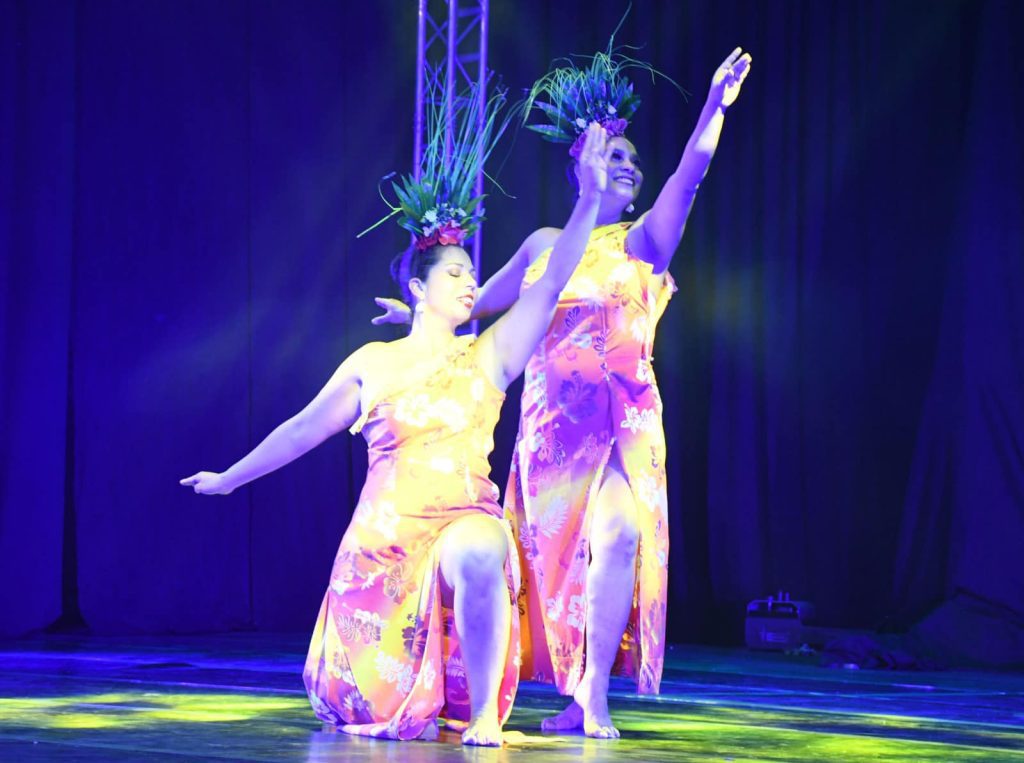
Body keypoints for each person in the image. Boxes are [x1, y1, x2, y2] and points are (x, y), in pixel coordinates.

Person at [180, 118, 611, 746]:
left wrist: (590, 197)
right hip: (384, 547)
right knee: (357, 703)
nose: (470, 282)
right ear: (417, 287)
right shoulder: (373, 363)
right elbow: (300, 431)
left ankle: (483, 714)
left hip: (462, 517)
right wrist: (228, 479)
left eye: (471, 273)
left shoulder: (488, 355)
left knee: (480, 548)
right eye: (455, 272)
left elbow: (548, 284)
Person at [373, 47, 752, 738]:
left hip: (622, 424)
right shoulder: (545, 243)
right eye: (617, 154)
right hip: (552, 433)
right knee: (553, 568)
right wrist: (418, 313)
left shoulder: (645, 241)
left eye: (635, 161)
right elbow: (481, 305)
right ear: (584, 160)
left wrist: (714, 107)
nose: (631, 166)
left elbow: (690, 175)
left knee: (620, 532)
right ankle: (507, 689)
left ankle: (594, 694)